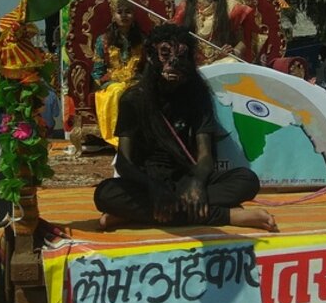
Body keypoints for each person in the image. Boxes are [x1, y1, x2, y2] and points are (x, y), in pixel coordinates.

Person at [94, 23, 278, 231]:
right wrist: (154, 188)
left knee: (247, 180)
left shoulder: (197, 96)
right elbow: (124, 164)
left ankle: (139, 215)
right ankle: (227, 215)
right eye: (165, 54)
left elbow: (205, 155)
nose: (173, 63)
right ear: (152, 57)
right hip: (148, 182)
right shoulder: (133, 99)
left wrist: (198, 182)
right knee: (104, 194)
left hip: (185, 177)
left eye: (180, 57)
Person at [91, 0, 145, 147]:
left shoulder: (142, 39)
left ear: (133, 15)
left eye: (128, 12)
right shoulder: (103, 40)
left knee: (137, 92)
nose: (124, 16)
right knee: (117, 91)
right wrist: (105, 83)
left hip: (136, 80)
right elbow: (97, 70)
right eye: (119, 12)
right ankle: (119, 138)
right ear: (113, 15)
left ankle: (139, 137)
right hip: (112, 83)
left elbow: (146, 68)